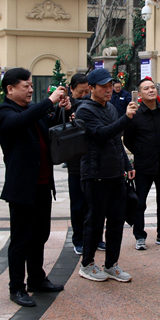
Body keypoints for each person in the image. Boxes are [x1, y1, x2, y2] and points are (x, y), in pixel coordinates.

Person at [0, 68, 70, 307]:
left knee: (40, 235)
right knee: (20, 240)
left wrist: (64, 109)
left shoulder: (32, 110)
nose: (30, 89)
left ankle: (36, 279)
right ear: (10, 89)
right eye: (25, 85)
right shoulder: (5, 112)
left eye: (30, 85)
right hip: (22, 188)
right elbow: (19, 122)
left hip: (43, 184)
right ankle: (16, 287)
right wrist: (49, 102)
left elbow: (50, 125)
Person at [75, 69, 138, 282]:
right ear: (91, 88)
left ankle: (111, 264)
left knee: (116, 222)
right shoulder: (85, 110)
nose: (108, 90)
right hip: (95, 175)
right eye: (103, 86)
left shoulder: (110, 107)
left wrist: (126, 164)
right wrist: (126, 118)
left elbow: (115, 140)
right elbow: (102, 134)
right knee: (94, 222)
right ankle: (87, 264)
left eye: (110, 86)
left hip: (115, 174)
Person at [123, 76, 160, 250]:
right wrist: (142, 151)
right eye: (146, 88)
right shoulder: (135, 115)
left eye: (153, 87)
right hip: (144, 165)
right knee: (140, 203)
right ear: (139, 94)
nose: (151, 90)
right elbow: (128, 140)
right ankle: (139, 236)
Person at [65, 73, 93, 255]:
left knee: (95, 204)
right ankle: (78, 239)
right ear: (71, 89)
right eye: (80, 92)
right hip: (75, 162)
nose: (83, 96)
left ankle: (95, 238)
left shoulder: (95, 105)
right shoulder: (66, 107)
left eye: (86, 92)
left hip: (93, 161)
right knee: (77, 204)